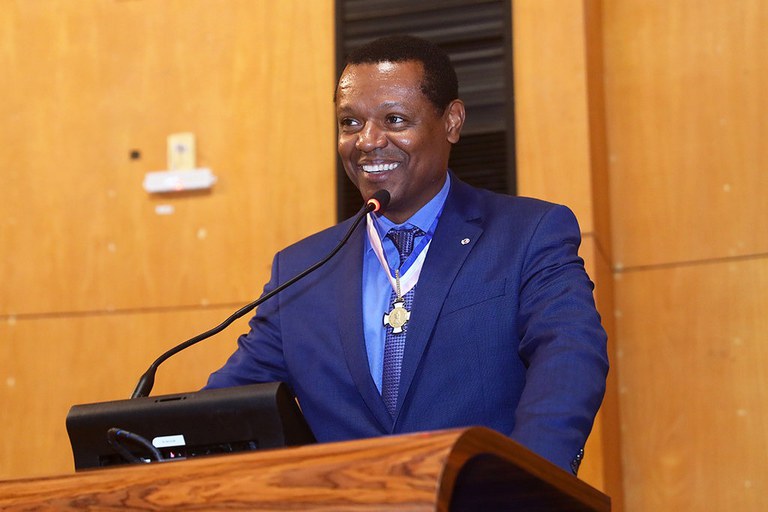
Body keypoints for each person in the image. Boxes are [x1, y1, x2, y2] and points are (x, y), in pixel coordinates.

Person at [206, 35, 608, 475]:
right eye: (349, 123)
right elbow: (228, 411)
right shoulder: (302, 270)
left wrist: (527, 483)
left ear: (452, 122)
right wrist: (141, 446)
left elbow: (568, 360)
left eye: (394, 119)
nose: (367, 142)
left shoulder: (527, 235)